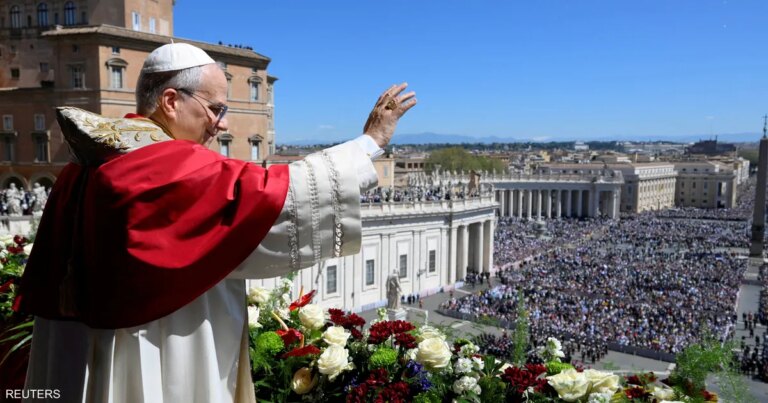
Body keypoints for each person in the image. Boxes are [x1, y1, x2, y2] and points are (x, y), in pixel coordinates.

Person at [17, 43, 416, 403]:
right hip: (154, 348)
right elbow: (273, 196)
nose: (221, 124)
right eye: (215, 109)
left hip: (76, 350)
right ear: (171, 101)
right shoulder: (163, 164)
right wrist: (371, 142)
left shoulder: (89, 160)